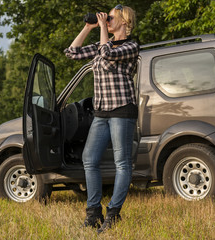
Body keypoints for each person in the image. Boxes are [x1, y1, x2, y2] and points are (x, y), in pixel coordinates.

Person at [64, 4, 139, 233]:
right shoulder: (100, 43)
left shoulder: (131, 46)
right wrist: (89, 27)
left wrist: (102, 31)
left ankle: (113, 213)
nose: (107, 21)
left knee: (122, 163)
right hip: (101, 112)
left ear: (124, 21)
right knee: (89, 158)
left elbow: (107, 53)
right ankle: (93, 213)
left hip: (122, 110)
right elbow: (72, 52)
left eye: (111, 18)